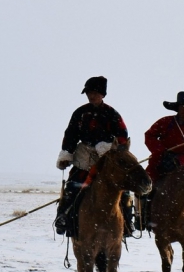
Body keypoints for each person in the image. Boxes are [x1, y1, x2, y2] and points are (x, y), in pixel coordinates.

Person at [54, 76, 130, 237]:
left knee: (122, 190)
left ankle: (127, 223)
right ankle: (63, 218)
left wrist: (113, 150)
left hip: (106, 158)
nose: (91, 96)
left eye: (95, 92)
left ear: (102, 94)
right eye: (89, 92)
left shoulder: (112, 114)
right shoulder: (80, 113)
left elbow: (122, 136)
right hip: (84, 157)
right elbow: (71, 135)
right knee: (72, 187)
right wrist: (66, 154)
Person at [143, 91, 184, 232]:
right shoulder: (165, 122)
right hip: (159, 164)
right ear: (178, 107)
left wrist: (180, 160)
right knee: (146, 187)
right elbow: (149, 136)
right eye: (183, 106)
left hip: (182, 168)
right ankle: (144, 218)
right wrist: (161, 152)